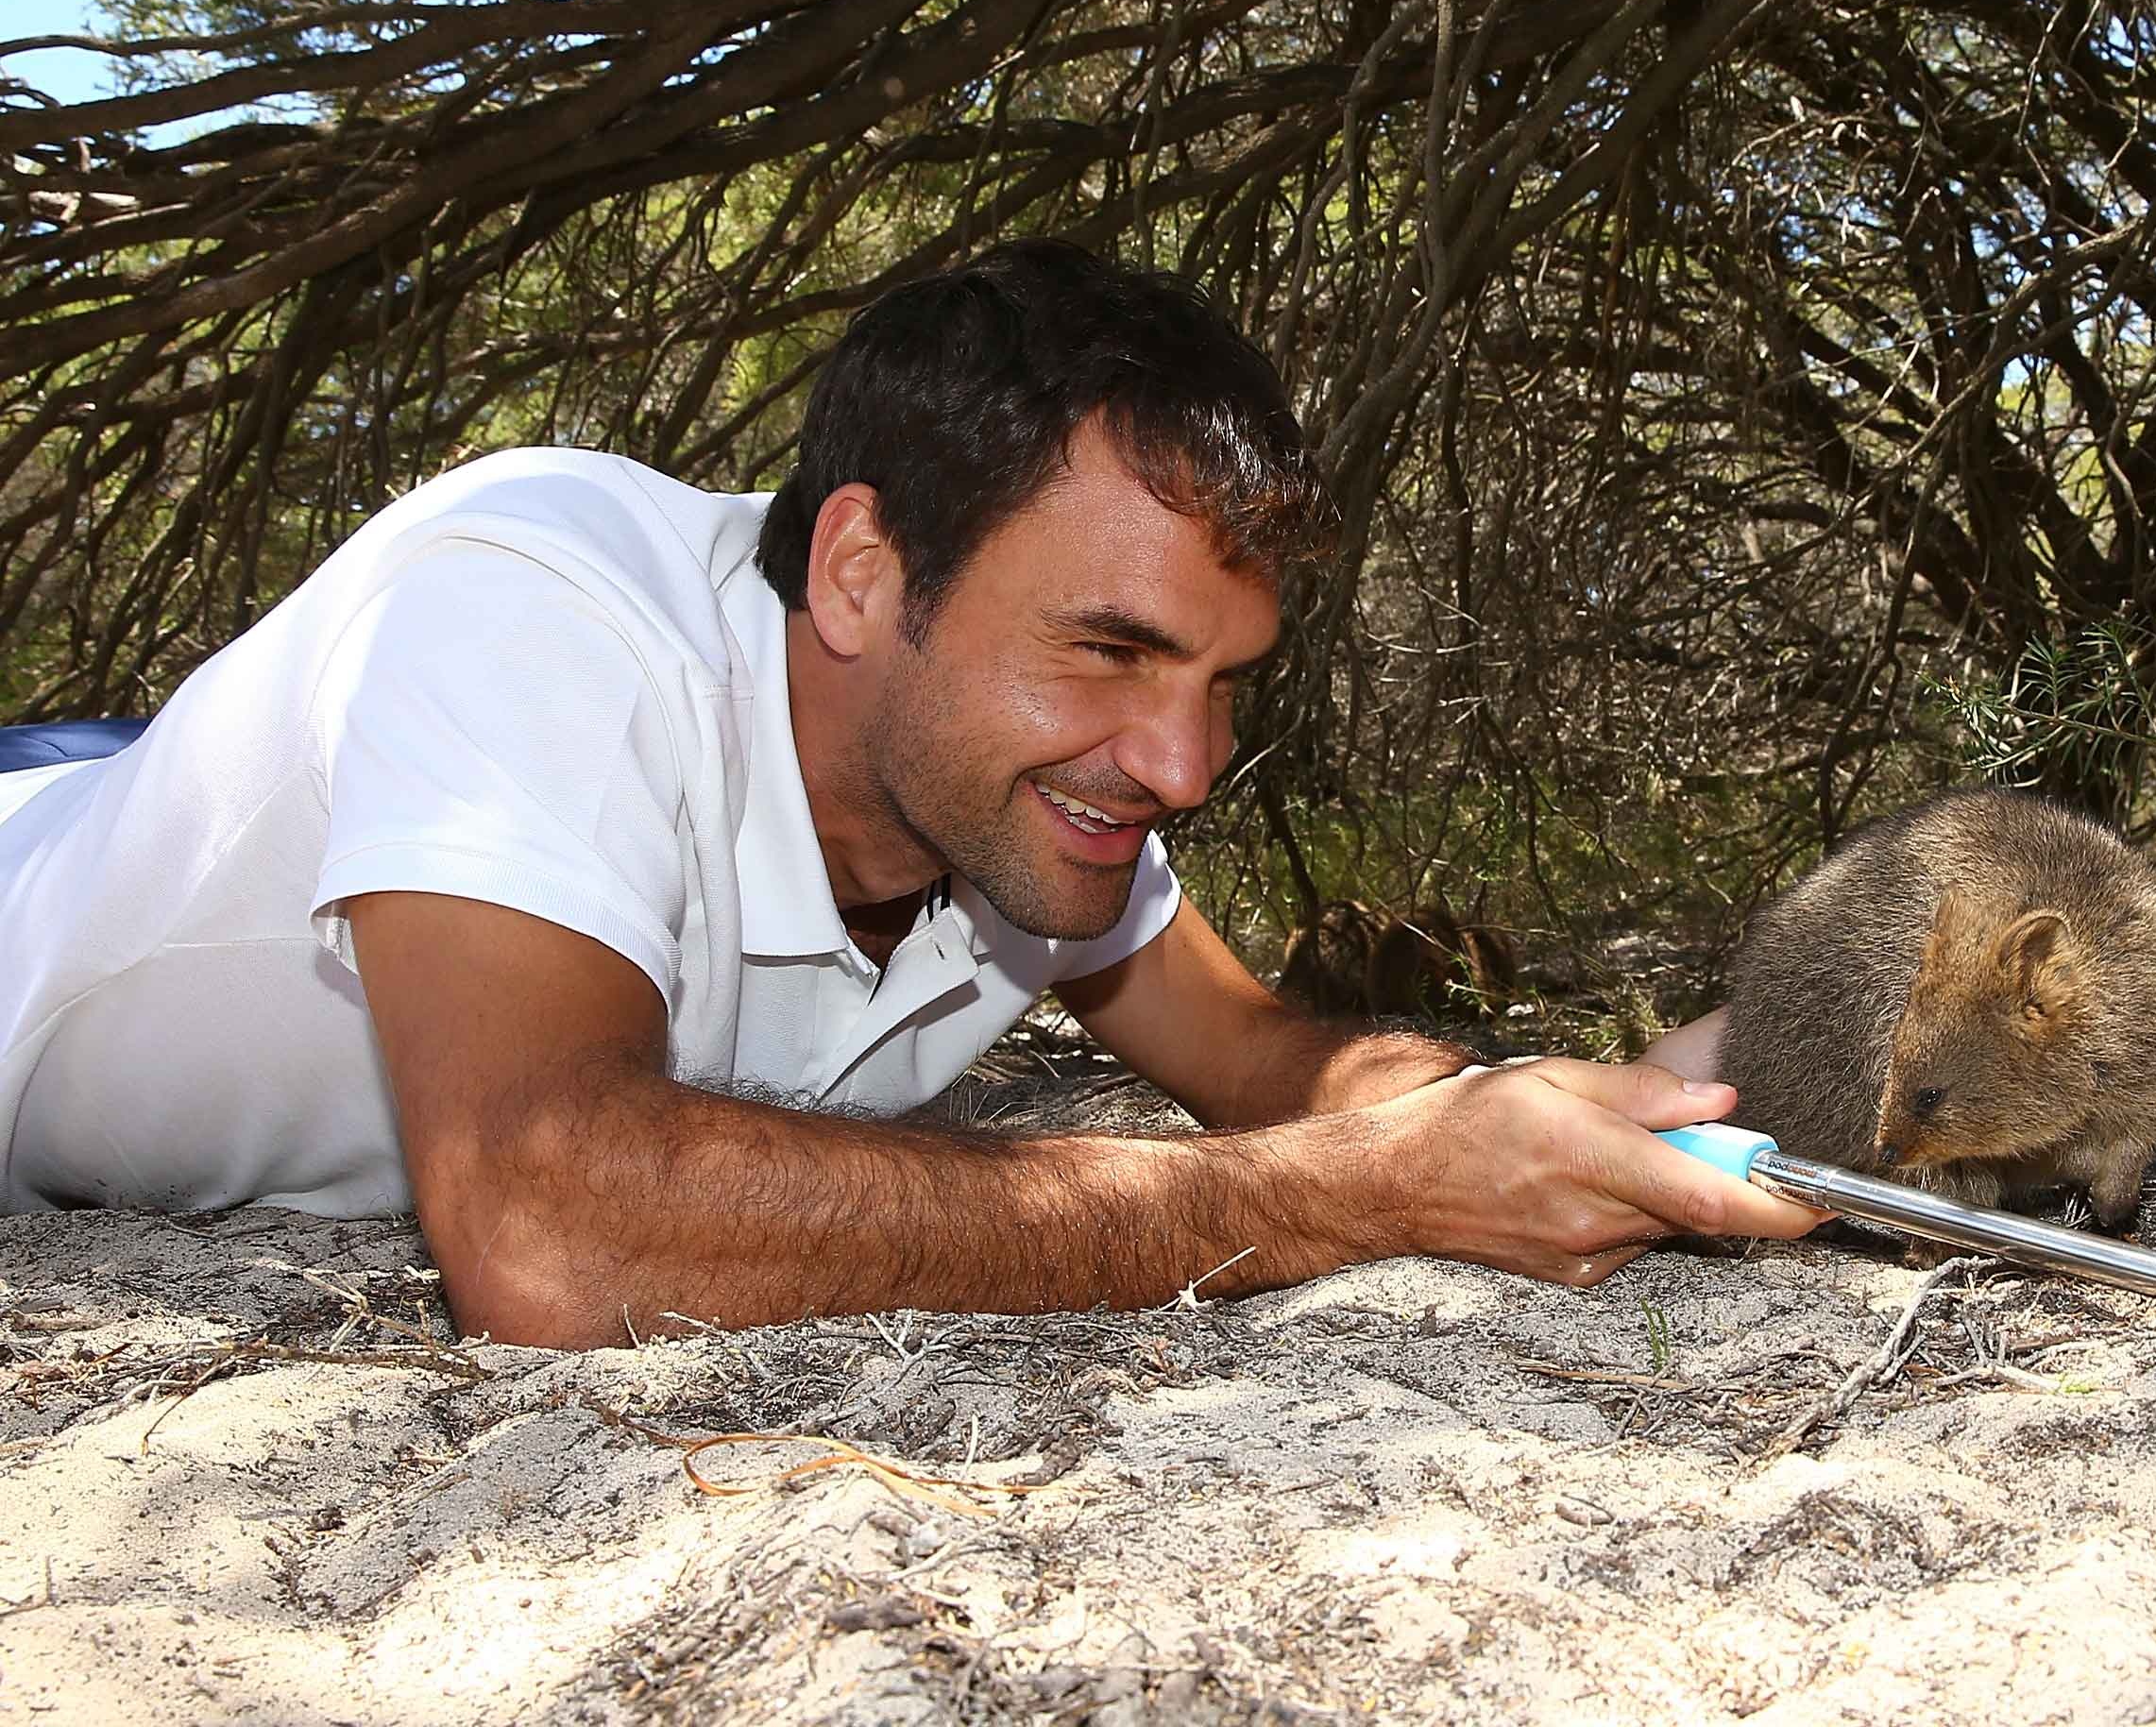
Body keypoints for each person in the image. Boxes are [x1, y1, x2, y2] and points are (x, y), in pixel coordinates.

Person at [0, 241, 1816, 1346]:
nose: (1183, 765)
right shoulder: (536, 595)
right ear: (863, 574)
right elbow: (549, 1231)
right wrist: (1344, 1198)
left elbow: (1285, 1066)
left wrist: (1602, 1106)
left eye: (1219, 683)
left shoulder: (1018, 809)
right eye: (1109, 651)